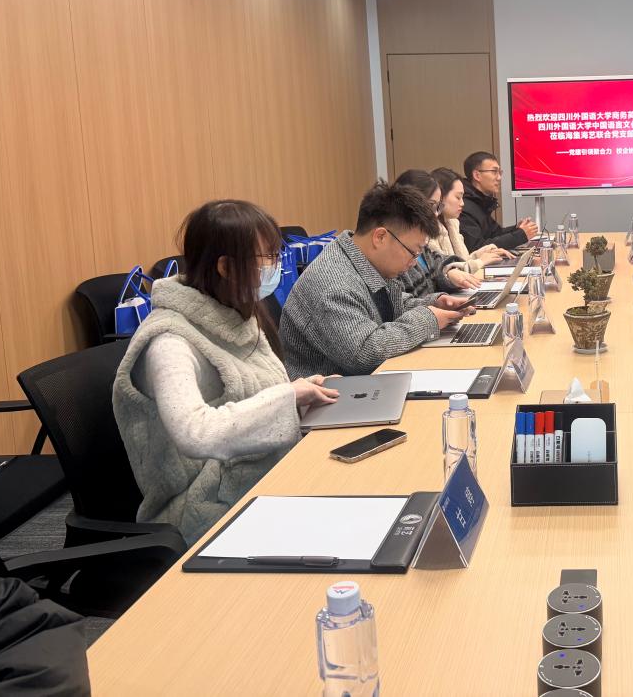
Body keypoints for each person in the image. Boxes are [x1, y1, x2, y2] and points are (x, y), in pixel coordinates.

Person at [113, 200, 340, 545]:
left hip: (252, 471)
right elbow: (196, 432)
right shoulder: (169, 342)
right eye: (267, 258)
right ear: (225, 267)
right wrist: (286, 397)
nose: (276, 266)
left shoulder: (234, 312)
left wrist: (302, 394)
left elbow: (258, 394)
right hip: (201, 504)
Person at [279, 181, 473, 379]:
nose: (414, 262)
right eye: (413, 252)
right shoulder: (333, 284)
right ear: (380, 237)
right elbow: (365, 353)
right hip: (332, 392)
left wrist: (433, 304)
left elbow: (390, 304)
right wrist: (428, 319)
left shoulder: (363, 259)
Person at [393, 169, 483, 295]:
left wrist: (449, 272)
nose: (435, 214)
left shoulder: (421, 241)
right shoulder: (396, 246)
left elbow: (438, 261)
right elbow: (402, 301)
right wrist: (436, 300)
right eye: (431, 205)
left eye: (437, 207)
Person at [430, 166, 513, 274]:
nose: (462, 203)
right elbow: (445, 273)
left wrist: (486, 253)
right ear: (439, 197)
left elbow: (463, 261)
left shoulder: (452, 223)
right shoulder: (427, 230)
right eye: (458, 197)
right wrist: (480, 261)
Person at [460, 151, 538, 252]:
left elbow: (494, 234)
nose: (499, 178)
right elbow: (477, 248)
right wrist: (520, 235)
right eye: (494, 172)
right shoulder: (464, 207)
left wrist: (517, 229)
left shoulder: (480, 201)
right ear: (477, 175)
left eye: (500, 172)